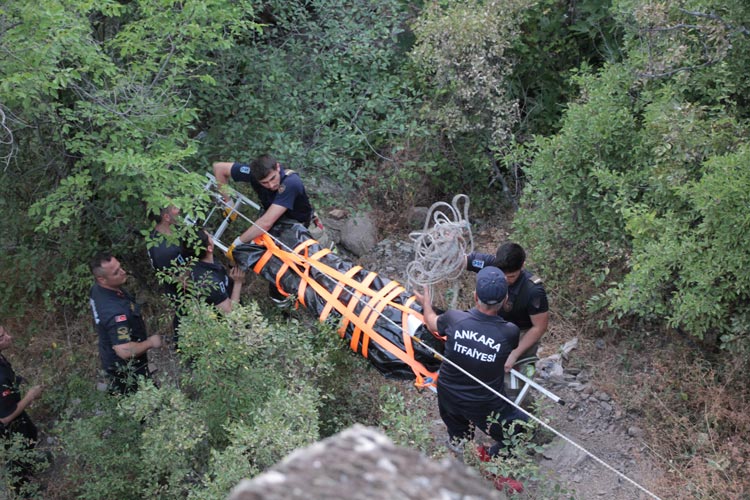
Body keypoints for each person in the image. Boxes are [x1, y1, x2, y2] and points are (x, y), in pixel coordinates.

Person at [415, 267, 527, 492]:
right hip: (485, 403)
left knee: (459, 435)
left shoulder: (455, 319)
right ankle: (491, 463)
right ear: (505, 299)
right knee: (519, 431)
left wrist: (426, 303)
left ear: (475, 296)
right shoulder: (510, 332)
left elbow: (431, 323)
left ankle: (463, 464)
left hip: (448, 394)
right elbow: (500, 345)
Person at [212, 154, 328, 255]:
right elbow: (219, 168)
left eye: (273, 178)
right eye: (265, 183)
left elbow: (266, 222)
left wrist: (238, 242)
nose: (271, 185)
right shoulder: (252, 173)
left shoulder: (291, 183)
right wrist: (228, 201)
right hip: (280, 229)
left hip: (305, 229)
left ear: (277, 167)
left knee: (324, 260)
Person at [466, 242, 549, 371]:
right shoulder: (491, 264)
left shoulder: (533, 290)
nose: (505, 280)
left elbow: (540, 327)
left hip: (520, 335)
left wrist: (514, 354)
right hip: (493, 327)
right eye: (501, 274)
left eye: (511, 276)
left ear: (522, 266)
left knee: (514, 383)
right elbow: (463, 261)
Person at [89, 253, 162, 395]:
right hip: (126, 368)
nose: (123, 272)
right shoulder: (115, 313)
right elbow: (124, 350)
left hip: (114, 355)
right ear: (102, 279)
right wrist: (151, 343)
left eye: (120, 267)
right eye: (116, 272)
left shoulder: (99, 289)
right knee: (141, 402)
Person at [0, 325, 42, 490]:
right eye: (2, 337)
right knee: (17, 456)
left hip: (16, 415)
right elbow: (5, 417)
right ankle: (22, 490)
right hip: (9, 425)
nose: (9, 337)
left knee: (31, 433)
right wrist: (30, 396)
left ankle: (28, 468)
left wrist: (16, 381)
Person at [147, 205, 187, 346]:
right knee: (185, 314)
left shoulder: (172, 229)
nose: (179, 209)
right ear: (166, 217)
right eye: (175, 208)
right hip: (182, 291)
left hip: (185, 279)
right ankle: (183, 347)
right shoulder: (161, 249)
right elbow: (179, 280)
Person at [182, 228, 246, 313]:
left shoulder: (208, 260)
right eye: (209, 236)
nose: (212, 237)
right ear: (209, 248)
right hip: (230, 323)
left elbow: (224, 282)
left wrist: (232, 265)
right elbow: (231, 313)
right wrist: (238, 283)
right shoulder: (208, 281)